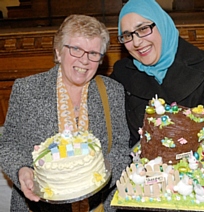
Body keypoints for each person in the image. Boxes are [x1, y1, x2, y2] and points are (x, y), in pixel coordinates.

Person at [0, 14, 130, 212]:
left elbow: (121, 146)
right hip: (38, 206)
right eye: (76, 49)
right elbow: (8, 145)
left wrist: (102, 178)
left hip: (100, 205)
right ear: (59, 52)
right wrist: (21, 170)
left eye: (93, 53)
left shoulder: (112, 91)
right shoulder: (27, 90)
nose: (84, 60)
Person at [110, 0, 204, 148]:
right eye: (127, 35)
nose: (136, 42)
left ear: (162, 24)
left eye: (143, 29)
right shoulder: (122, 74)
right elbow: (117, 140)